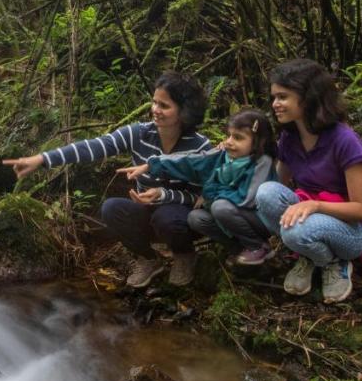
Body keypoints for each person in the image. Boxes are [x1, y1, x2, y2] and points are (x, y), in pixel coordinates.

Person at [2, 72, 210, 287]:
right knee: (112, 208)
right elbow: (93, 146)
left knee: (167, 216)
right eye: (154, 102)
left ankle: (185, 256)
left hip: (180, 219)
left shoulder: (199, 147)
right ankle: (148, 259)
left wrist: (164, 195)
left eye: (164, 106)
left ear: (184, 112)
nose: (155, 110)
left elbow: (200, 197)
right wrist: (42, 159)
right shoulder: (139, 133)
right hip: (147, 211)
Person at [255, 59, 362, 304]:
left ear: (308, 96)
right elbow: (276, 185)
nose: (275, 104)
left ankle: (334, 263)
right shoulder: (290, 138)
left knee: (297, 230)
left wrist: (315, 206)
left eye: (282, 97)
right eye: (274, 97)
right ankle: (310, 255)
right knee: (265, 193)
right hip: (311, 220)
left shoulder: (344, 140)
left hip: (350, 231)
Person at [118, 110, 278, 267]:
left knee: (219, 207)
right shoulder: (223, 155)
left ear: (258, 142)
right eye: (229, 135)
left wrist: (208, 194)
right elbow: (191, 163)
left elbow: (246, 199)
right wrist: (151, 165)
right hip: (230, 214)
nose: (229, 141)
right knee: (196, 218)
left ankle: (259, 246)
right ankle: (238, 250)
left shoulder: (262, 162)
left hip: (256, 219)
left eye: (238, 138)